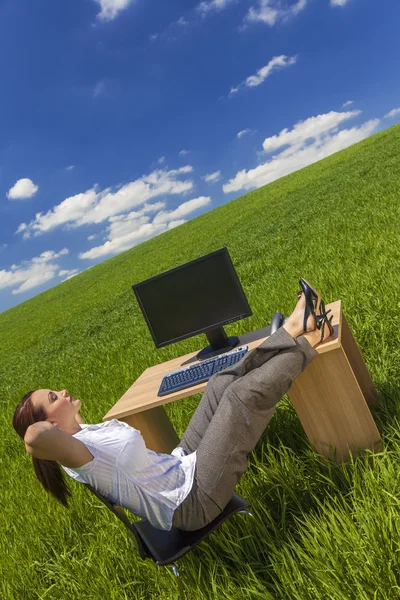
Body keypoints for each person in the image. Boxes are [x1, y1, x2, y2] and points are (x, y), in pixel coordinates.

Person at [13, 279, 333, 532]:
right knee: (240, 398)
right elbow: (33, 439)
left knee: (221, 382)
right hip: (192, 500)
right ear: (52, 426)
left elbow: (64, 432)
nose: (62, 391)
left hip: (179, 464)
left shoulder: (83, 434)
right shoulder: (78, 456)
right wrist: (45, 430)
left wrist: (68, 414)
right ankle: (310, 339)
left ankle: (292, 328)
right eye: (53, 397)